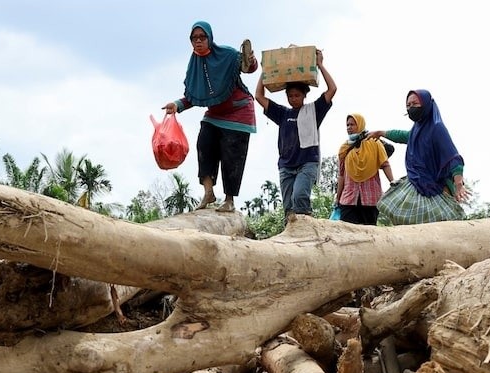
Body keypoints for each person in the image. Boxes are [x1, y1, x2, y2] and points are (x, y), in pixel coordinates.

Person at [164, 21, 258, 213]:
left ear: (210, 38)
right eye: (194, 38)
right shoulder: (194, 66)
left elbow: (249, 68)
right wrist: (177, 105)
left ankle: (229, 200)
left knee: (231, 156)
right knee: (204, 143)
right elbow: (194, 95)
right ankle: (209, 192)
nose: (198, 41)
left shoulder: (227, 54)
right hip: (215, 113)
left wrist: (251, 60)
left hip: (239, 112)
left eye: (202, 37)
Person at [254, 49, 337, 220]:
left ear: (304, 95)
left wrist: (320, 65)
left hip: (307, 163)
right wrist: (265, 71)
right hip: (286, 166)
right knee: (289, 209)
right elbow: (258, 96)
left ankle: (307, 230)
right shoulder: (282, 113)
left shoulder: (314, 110)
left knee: (299, 198)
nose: (293, 99)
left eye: (297, 95)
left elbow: (332, 89)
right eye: (290, 96)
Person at [367, 90, 467, 225]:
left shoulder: (437, 128)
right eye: (408, 105)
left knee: (437, 226)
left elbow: (453, 158)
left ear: (426, 104)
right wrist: (381, 133)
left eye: (414, 103)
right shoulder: (417, 129)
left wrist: (459, 184)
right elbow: (403, 136)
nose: (410, 108)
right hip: (416, 183)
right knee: (396, 211)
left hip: (435, 188)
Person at [335, 113, 393, 225]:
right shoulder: (344, 149)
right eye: (347, 125)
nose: (349, 128)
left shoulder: (374, 143)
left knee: (369, 234)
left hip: (370, 198)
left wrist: (393, 183)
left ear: (360, 125)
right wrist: (338, 198)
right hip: (348, 199)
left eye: (352, 124)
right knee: (347, 234)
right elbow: (341, 175)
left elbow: (385, 164)